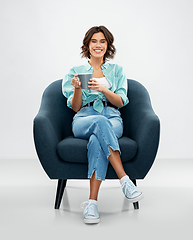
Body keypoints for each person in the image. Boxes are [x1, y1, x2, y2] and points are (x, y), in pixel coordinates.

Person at [62, 26, 143, 224]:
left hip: (112, 116)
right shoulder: (76, 71)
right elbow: (75, 107)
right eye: (94, 41)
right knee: (98, 122)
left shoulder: (117, 71)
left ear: (108, 45)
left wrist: (103, 89)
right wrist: (78, 89)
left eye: (102, 41)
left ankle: (92, 203)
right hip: (84, 117)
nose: (98, 45)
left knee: (96, 140)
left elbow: (121, 102)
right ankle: (125, 180)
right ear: (87, 45)